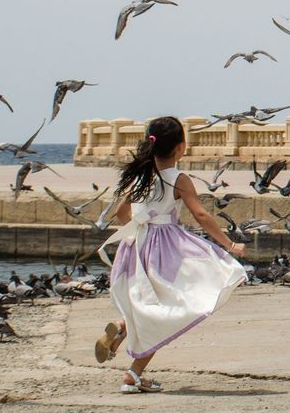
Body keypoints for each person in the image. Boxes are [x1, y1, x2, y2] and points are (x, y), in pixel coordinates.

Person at [93, 116, 248, 394]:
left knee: (154, 305)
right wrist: (229, 245)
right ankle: (133, 374)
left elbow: (120, 213)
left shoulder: (142, 176)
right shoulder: (179, 179)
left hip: (136, 246)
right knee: (170, 309)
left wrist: (136, 231)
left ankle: (124, 326)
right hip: (165, 248)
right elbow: (201, 215)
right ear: (180, 148)